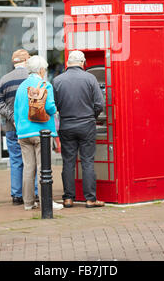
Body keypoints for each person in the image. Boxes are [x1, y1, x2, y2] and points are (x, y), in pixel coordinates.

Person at [53, 50, 105, 209]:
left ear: (68, 63)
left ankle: (68, 199)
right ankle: (90, 199)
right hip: (86, 124)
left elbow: (53, 105)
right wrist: (92, 117)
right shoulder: (90, 78)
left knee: (68, 162)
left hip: (66, 124)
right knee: (87, 162)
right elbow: (99, 104)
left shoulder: (57, 80)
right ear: (83, 63)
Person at [14, 55, 63, 211]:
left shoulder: (21, 87)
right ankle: (45, 203)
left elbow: (15, 111)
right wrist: (56, 110)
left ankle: (28, 203)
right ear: (42, 70)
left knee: (28, 168)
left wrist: (19, 130)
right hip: (41, 132)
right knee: (44, 168)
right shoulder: (44, 84)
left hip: (23, 133)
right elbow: (49, 108)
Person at [0, 48, 38, 205]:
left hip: (12, 128)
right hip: (32, 126)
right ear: (26, 61)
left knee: (16, 160)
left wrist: (11, 116)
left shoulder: (4, 80)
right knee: (32, 160)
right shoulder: (33, 78)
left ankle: (17, 194)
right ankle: (32, 193)